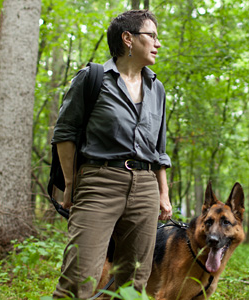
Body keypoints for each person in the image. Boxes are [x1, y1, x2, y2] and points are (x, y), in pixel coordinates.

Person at [51, 10, 172, 299]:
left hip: (145, 187)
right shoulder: (92, 78)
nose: (158, 43)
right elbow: (64, 133)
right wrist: (70, 184)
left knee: (134, 280)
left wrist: (163, 193)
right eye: (151, 36)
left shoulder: (157, 89)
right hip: (98, 182)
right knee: (80, 276)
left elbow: (159, 150)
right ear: (128, 38)